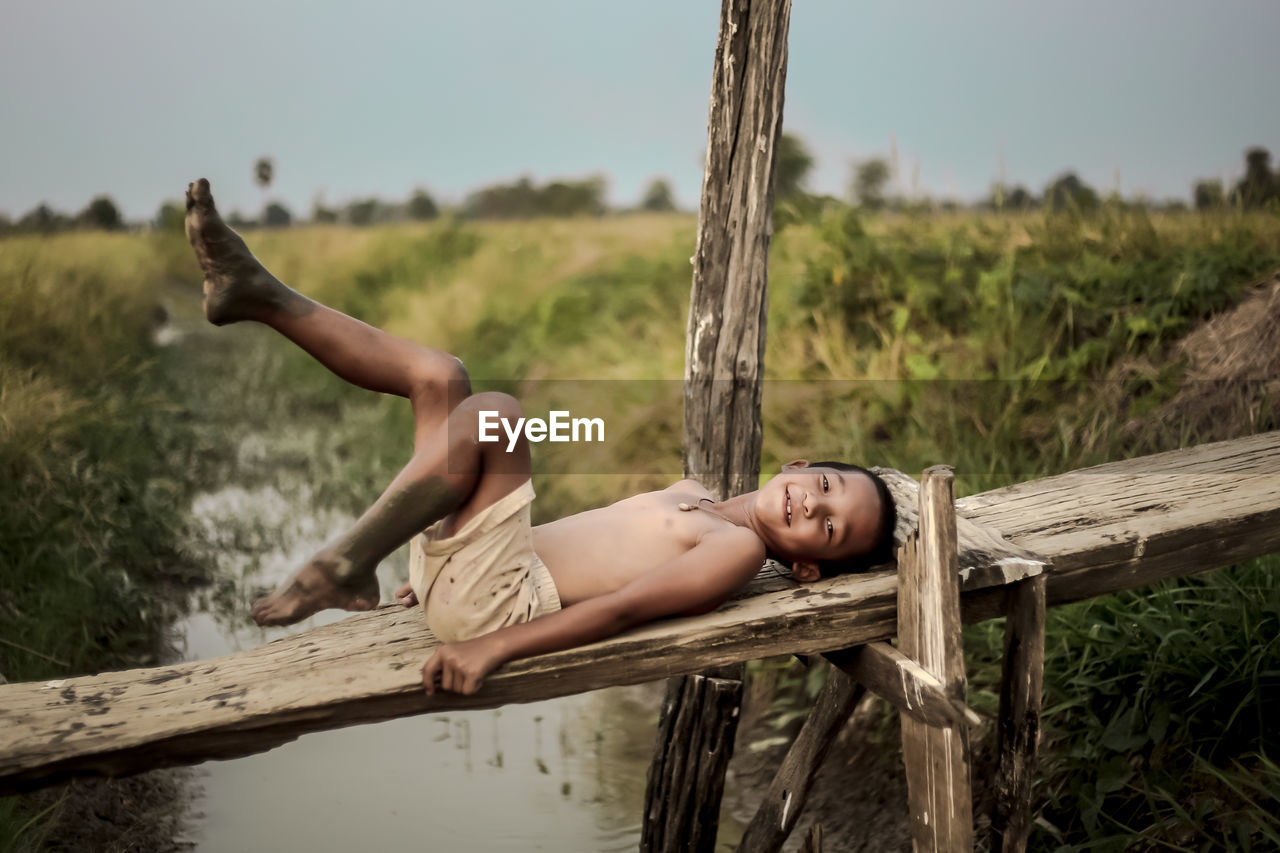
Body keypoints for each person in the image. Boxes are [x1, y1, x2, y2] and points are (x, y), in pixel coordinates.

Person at [183, 178, 896, 697]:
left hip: (500, 603)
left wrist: (493, 645)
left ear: (805, 567)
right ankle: (259, 293)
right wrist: (448, 552)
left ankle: (341, 566)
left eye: (829, 530)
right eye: (826, 488)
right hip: (474, 573)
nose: (812, 507)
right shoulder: (694, 494)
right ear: (797, 465)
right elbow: (580, 543)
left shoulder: (737, 548)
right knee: (441, 374)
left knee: (496, 412)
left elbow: (623, 608)